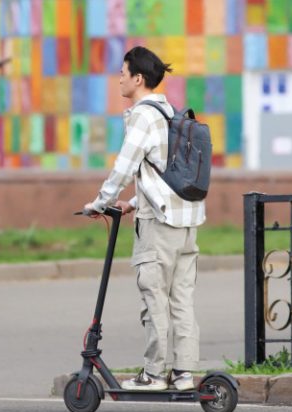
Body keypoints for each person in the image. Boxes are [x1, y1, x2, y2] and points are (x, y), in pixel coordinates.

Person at [84, 46, 206, 391]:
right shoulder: (169, 111)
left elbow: (125, 166)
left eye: (123, 72)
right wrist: (133, 202)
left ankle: (154, 373)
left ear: (138, 78)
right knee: (181, 299)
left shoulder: (143, 115)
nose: (119, 78)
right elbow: (166, 170)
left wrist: (100, 202)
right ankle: (183, 374)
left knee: (154, 297)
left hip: (160, 225)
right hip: (186, 221)